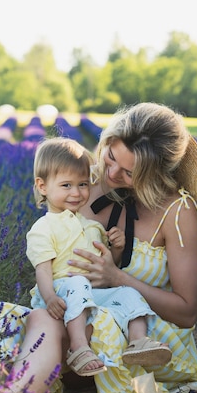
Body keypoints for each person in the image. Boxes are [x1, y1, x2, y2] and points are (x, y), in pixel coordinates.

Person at [0, 102, 197, 393]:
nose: (110, 174)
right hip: (81, 325)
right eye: (110, 157)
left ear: (154, 174)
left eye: (129, 173)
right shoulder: (87, 185)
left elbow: (187, 312)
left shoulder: (178, 212)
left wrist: (117, 277)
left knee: (53, 327)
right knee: (36, 319)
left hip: (144, 337)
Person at [26, 136, 170, 378]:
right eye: (66, 185)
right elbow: (42, 269)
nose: (76, 193)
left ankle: (138, 342)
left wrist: (116, 247)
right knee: (78, 283)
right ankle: (78, 347)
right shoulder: (43, 227)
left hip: (90, 292)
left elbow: (107, 267)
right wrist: (50, 297)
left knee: (128, 292)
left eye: (83, 184)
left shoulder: (91, 225)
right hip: (61, 291)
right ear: (42, 187)